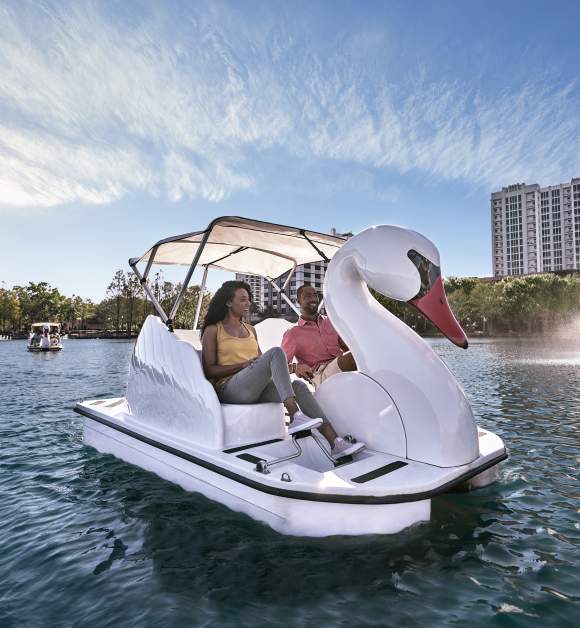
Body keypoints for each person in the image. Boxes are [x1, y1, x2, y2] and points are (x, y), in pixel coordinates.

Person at [201, 281, 364, 459]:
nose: (248, 303)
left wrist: (294, 368)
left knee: (298, 386)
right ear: (228, 303)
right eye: (242, 300)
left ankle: (336, 443)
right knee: (276, 352)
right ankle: (295, 416)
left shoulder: (251, 330)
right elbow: (210, 370)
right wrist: (242, 365)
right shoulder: (213, 330)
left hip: (253, 388)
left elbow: (267, 364)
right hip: (230, 389)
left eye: (249, 299)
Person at [282, 284, 357, 389]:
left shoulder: (331, 321)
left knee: (362, 352)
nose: (313, 299)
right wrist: (296, 367)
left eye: (315, 295)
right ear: (298, 302)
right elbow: (280, 365)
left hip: (340, 365)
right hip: (319, 375)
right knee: (356, 356)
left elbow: (347, 347)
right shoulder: (292, 334)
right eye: (307, 296)